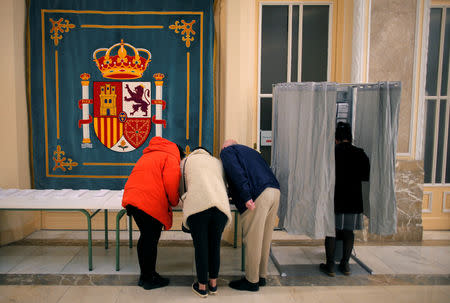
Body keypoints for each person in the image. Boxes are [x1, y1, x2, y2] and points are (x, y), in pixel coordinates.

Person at [122, 136, 184, 290]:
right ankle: (149, 278)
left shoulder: (149, 154)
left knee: (145, 238)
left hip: (133, 199)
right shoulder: (170, 157)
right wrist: (175, 201)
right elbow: (171, 183)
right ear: (179, 154)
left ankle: (146, 275)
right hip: (148, 202)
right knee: (150, 240)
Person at [220, 139, 280, 292]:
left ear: (226, 146)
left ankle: (251, 281)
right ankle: (261, 276)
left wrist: (246, 197)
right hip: (274, 191)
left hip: (257, 195)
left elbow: (236, 172)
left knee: (253, 240)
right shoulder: (252, 152)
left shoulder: (227, 151)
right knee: (265, 238)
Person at [179, 147, 232, 298]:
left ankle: (202, 287)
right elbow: (225, 184)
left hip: (198, 207)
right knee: (214, 245)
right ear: (208, 153)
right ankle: (213, 284)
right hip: (220, 206)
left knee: (201, 246)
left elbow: (182, 188)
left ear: (194, 152)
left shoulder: (186, 161)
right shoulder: (217, 162)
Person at [320, 122, 370, 277]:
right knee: (348, 232)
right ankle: (345, 264)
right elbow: (365, 176)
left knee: (331, 231)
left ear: (336, 139)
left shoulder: (331, 153)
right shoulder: (360, 153)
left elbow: (324, 177)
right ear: (350, 137)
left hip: (335, 199)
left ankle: (330, 265)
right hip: (354, 199)